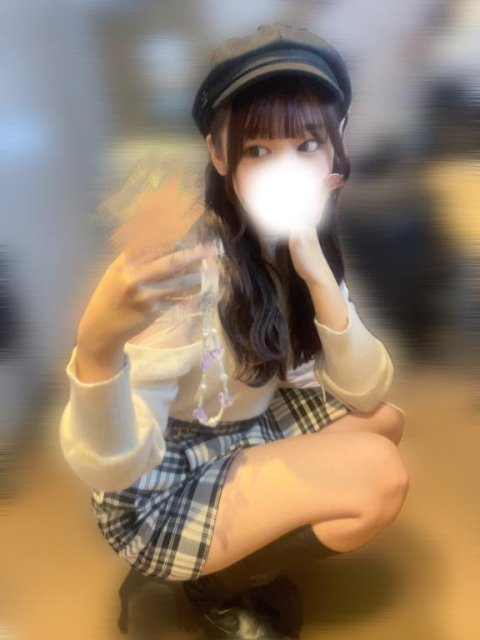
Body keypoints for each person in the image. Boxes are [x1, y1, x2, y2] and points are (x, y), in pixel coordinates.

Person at [59, 22, 408, 639]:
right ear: (218, 155)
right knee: (379, 475)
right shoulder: (186, 265)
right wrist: (97, 350)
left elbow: (365, 389)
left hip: (235, 426)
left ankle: (231, 550)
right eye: (258, 150)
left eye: (308, 144)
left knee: (383, 422)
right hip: (159, 473)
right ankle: (208, 587)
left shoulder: (294, 240)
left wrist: (318, 277)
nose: (286, 171)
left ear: (336, 148)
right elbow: (116, 467)